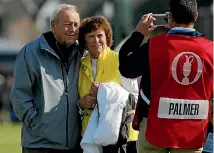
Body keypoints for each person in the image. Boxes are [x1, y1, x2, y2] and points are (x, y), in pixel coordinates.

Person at [119, 0, 213, 153]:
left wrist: (139, 33)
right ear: (196, 16)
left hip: (154, 130)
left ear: (169, 17)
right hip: (193, 132)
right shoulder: (211, 50)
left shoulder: (153, 46)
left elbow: (126, 68)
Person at [10, 3, 83, 153]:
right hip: (39, 146)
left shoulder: (82, 54)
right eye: (68, 24)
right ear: (53, 25)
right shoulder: (30, 53)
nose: (73, 29)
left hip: (75, 146)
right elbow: (19, 95)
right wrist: (37, 124)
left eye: (76, 25)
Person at [77, 16, 139, 153]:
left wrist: (106, 93)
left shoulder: (120, 60)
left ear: (107, 37)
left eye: (100, 35)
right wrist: (81, 104)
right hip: (90, 137)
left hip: (121, 137)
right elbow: (77, 103)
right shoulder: (79, 66)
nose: (96, 40)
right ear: (84, 40)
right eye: (91, 36)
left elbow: (134, 99)